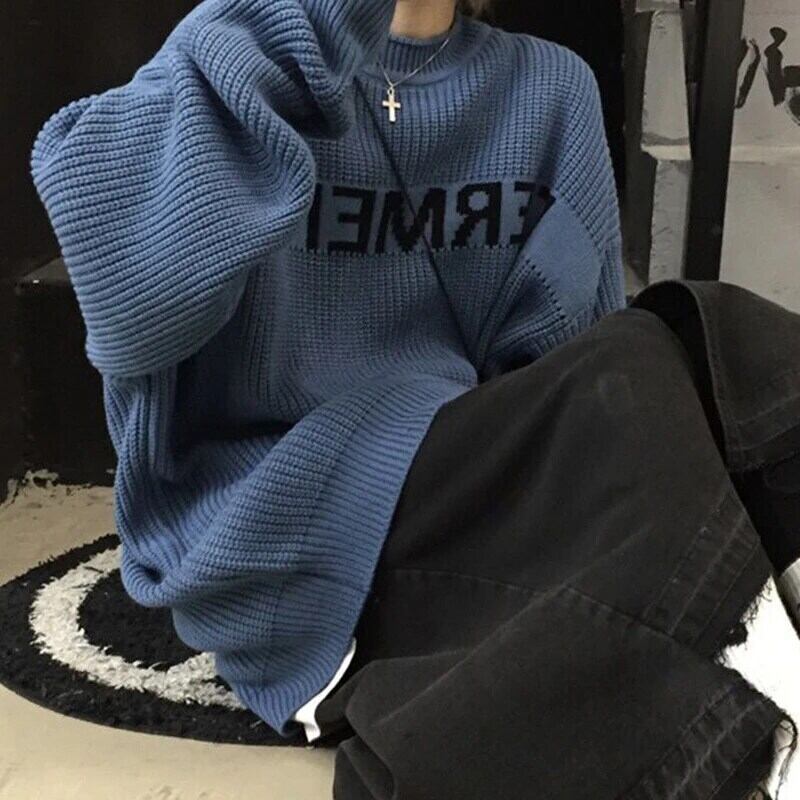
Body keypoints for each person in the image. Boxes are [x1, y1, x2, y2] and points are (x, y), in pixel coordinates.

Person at [30, 0, 799, 796]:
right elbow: (129, 305)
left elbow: (569, 373)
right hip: (286, 529)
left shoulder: (549, 88)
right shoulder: (241, 45)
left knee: (719, 349)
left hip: (465, 495)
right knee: (642, 376)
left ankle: (734, 684)